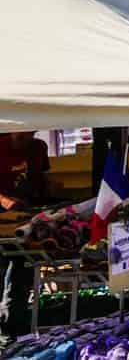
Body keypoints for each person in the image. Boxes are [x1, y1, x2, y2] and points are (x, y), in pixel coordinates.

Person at [0, 133, 50, 340]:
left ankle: (12, 331)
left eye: (31, 132)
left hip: (27, 220)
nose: (26, 137)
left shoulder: (39, 147)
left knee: (22, 275)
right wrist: (5, 202)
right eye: (22, 134)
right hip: (3, 222)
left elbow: (42, 178)